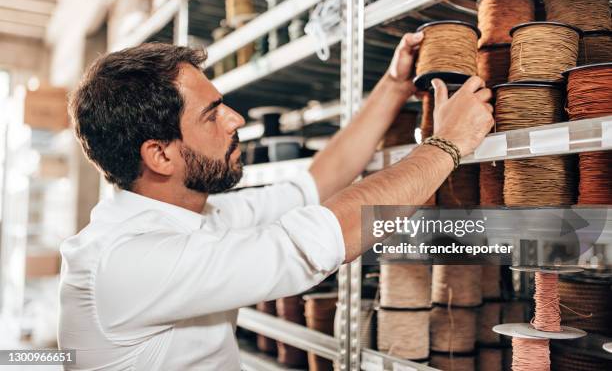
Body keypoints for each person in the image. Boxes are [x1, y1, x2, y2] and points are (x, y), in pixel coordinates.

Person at [59, 32, 493, 370]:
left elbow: (317, 183)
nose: (235, 119)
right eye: (211, 114)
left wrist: (394, 84)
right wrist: (447, 144)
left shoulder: (196, 213)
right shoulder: (127, 261)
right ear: (160, 154)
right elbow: (327, 235)